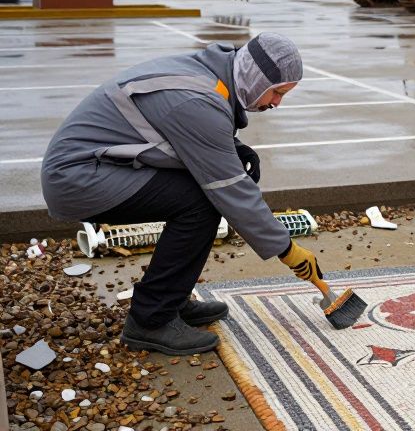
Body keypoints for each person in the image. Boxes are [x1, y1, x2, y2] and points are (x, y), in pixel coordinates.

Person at [41, 33, 330, 355]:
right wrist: (286, 249)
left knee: (202, 198)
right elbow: (231, 190)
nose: (276, 103)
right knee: (203, 203)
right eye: (277, 92)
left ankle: (170, 300)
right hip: (78, 179)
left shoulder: (211, 76)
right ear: (254, 77)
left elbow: (170, 131)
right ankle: (150, 321)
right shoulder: (197, 100)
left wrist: (233, 147)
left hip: (101, 166)